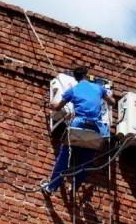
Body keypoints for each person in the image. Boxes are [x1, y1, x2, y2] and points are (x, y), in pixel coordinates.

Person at [41, 66, 116, 195]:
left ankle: (51, 188)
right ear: (86, 75)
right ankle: (75, 187)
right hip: (96, 129)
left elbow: (58, 107)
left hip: (78, 125)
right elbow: (112, 102)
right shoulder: (99, 88)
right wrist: (108, 96)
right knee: (86, 161)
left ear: (75, 78)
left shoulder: (73, 90)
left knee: (64, 157)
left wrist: (50, 104)